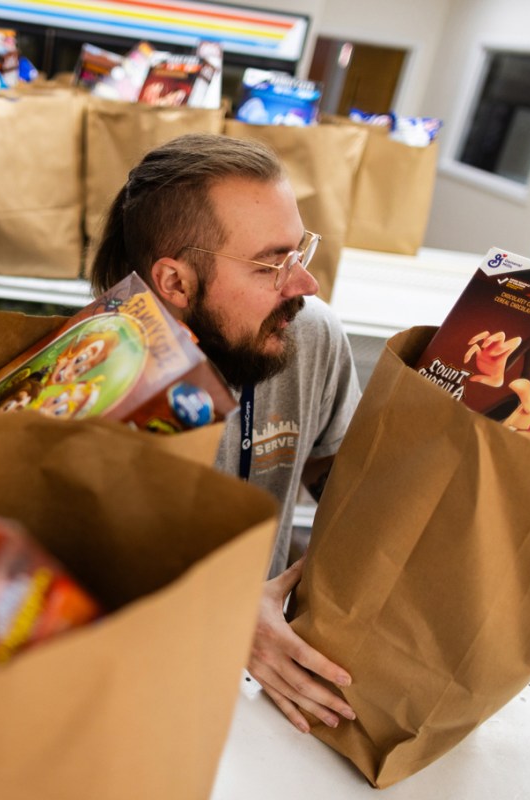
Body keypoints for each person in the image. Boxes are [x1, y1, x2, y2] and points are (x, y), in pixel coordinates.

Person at [90, 132, 362, 734]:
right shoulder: (92, 382)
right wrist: (224, 618)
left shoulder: (309, 335)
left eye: (299, 252)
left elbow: (333, 472)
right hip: (134, 688)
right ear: (176, 282)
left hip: (272, 682)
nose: (304, 285)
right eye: (272, 263)